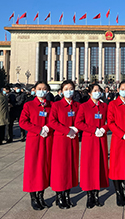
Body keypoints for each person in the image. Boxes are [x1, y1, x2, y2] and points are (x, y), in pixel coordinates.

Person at [19, 81, 54, 211]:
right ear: (35, 90)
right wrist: (38, 129)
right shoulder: (29, 105)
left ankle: (41, 196)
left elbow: (55, 120)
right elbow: (23, 122)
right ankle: (33, 197)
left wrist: (48, 128)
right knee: (33, 168)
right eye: (39, 88)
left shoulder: (51, 106)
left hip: (48, 140)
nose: (42, 91)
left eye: (44, 89)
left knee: (44, 168)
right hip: (34, 140)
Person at [75, 84, 109, 209]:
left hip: (101, 140)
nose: (97, 93)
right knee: (89, 167)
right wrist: (93, 129)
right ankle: (89, 195)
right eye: (95, 91)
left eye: (99, 91)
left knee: (99, 166)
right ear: (89, 93)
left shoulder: (104, 106)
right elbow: (78, 123)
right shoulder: (84, 106)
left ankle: (96, 194)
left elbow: (109, 121)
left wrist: (104, 129)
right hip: (89, 140)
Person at [48, 80, 81, 209]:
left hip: (73, 140)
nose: (69, 91)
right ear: (61, 91)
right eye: (66, 88)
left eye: (71, 88)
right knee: (60, 168)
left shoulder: (77, 105)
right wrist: (67, 130)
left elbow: (81, 119)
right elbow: (52, 122)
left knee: (71, 167)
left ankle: (67, 194)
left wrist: (77, 128)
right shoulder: (56, 105)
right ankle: (59, 196)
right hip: (61, 140)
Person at [108, 81, 125, 207]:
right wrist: (122, 134)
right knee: (117, 167)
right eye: (122, 88)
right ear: (118, 89)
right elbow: (111, 122)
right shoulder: (113, 104)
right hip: (118, 140)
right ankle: (119, 194)